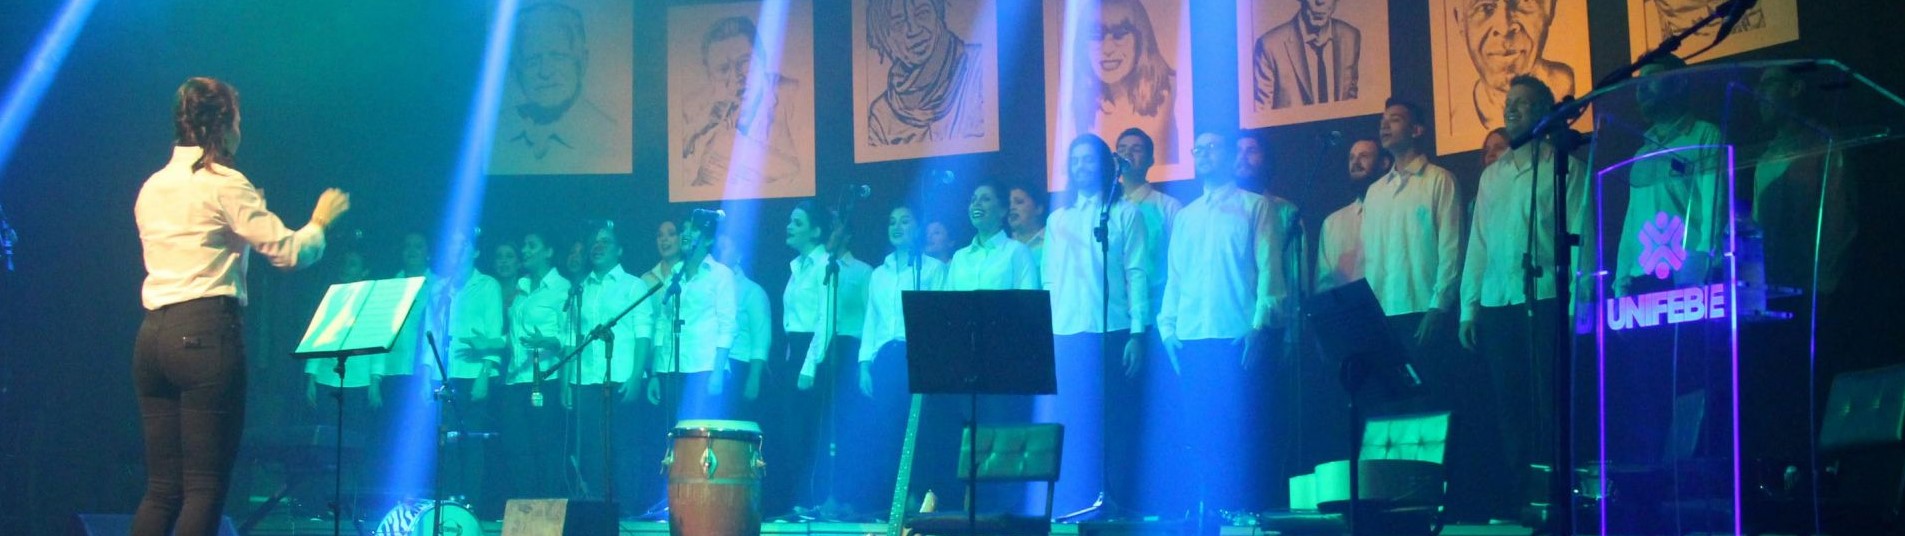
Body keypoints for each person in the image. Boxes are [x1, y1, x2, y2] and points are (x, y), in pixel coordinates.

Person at [133, 76, 351, 536]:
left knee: (162, 489)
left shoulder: (152, 186)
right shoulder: (225, 184)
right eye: (238, 120)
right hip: (204, 334)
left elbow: (200, 243)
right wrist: (319, 223)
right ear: (223, 125)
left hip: (152, 338)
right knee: (204, 487)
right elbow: (289, 253)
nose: (241, 130)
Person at [1456, 75, 1587, 520]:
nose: (1511, 109)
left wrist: (1576, 307)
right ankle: (1521, 502)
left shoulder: (1564, 167)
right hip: (1499, 305)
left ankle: (1556, 498)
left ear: (1545, 112)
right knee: (1509, 407)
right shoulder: (1492, 177)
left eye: (1523, 103)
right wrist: (1469, 308)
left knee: (1549, 405)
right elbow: (1479, 244)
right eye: (1508, 102)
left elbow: (1583, 238)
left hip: (1547, 300)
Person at [1156, 130, 1287, 514]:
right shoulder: (1186, 216)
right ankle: (1208, 513)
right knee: (1199, 434)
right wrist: (1167, 329)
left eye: (1213, 147)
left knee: (1241, 433)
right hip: (1192, 338)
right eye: (1198, 148)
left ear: (1231, 156)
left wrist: (1260, 326)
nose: (1204, 153)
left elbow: (1270, 272)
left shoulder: (1255, 206)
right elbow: (1175, 277)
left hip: (1237, 336)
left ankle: (1244, 512)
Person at [1042, 134, 1150, 516]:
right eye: (1075, 160)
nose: (1081, 167)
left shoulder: (1127, 214)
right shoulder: (1058, 220)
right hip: (1067, 333)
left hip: (1112, 329)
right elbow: (1049, 280)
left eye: (1089, 159)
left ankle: (1117, 499)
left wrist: (1138, 332)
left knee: (1114, 420)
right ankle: (1074, 496)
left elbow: (1136, 274)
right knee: (1073, 418)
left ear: (1105, 165)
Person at [850, 204, 949, 520]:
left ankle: (921, 497)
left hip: (917, 354)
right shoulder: (879, 274)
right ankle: (894, 500)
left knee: (919, 430)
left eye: (905, 221)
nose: (897, 226)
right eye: (892, 221)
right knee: (887, 431)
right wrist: (864, 364)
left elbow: (940, 320)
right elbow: (871, 320)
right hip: (886, 357)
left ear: (918, 228)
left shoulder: (932, 269)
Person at [1612, 54, 1724, 297]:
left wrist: (1706, 266)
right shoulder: (1641, 153)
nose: (1641, 88)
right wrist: (1621, 278)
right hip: (1642, 278)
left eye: (1651, 79)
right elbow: (1632, 221)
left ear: (1679, 82)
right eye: (1638, 83)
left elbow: (1715, 208)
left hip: (1689, 274)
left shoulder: (1704, 135)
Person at [490, 2, 627, 175]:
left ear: (582, 62)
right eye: (532, 60)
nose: (545, 72)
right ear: (515, 71)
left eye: (558, 57)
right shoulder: (493, 134)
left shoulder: (613, 138)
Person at [569, 222, 649, 515]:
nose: (597, 245)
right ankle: (598, 513)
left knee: (624, 448)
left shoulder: (633, 285)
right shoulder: (581, 288)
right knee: (592, 449)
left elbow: (643, 334)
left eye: (605, 241)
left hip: (621, 378)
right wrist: (568, 380)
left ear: (620, 250)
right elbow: (574, 337)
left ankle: (627, 512)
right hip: (587, 380)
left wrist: (637, 375)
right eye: (594, 241)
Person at [431, 231, 507, 513]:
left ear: (475, 252)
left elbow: (493, 331)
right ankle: (449, 502)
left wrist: (485, 372)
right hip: (445, 374)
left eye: (462, 246)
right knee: (446, 442)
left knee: (472, 442)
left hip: (474, 374)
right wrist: (427, 376)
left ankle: (471, 504)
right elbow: (431, 335)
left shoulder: (487, 285)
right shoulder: (439, 288)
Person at [681, 15, 805, 189]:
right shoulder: (703, 114)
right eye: (723, 69)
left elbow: (804, 175)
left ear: (762, 59)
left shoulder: (795, 96)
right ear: (710, 76)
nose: (736, 78)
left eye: (744, 63)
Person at [767, 201, 834, 517]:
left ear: (816, 230)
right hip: (794, 351)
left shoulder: (825, 265)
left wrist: (808, 366)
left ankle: (812, 500)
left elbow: (825, 319)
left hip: (813, 355)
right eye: (790, 221)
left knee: (808, 429)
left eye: (798, 222)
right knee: (790, 430)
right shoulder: (796, 267)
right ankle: (796, 499)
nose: (789, 226)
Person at [498, 230, 572, 501]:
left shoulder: (562, 288)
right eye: (524, 246)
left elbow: (569, 337)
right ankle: (525, 507)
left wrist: (548, 341)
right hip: (514, 379)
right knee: (516, 448)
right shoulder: (521, 288)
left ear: (548, 251)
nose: (525, 251)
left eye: (532, 246)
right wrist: (492, 342)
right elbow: (516, 335)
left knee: (545, 447)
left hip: (545, 379)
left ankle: (548, 509)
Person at [643, 210, 738, 420]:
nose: (686, 234)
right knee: (673, 431)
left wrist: (717, 373)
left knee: (700, 432)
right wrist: (655, 373)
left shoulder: (721, 274)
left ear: (709, 239)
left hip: (705, 368)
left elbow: (728, 326)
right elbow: (663, 323)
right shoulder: (674, 277)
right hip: (671, 369)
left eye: (693, 230)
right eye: (684, 229)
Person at [1067, 0, 1179, 165]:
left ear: (1140, 40)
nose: (1107, 49)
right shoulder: (1074, 99)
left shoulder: (1171, 87)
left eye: (1119, 35)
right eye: (1096, 36)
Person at [863, 0, 987, 145]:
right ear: (884, 38)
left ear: (937, 15)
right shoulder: (881, 117)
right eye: (898, 23)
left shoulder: (980, 66)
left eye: (922, 13)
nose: (914, 30)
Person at [1450, 0, 1575, 132]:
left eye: (1521, 3)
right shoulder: (1457, 117)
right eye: (1485, 8)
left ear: (1549, 9)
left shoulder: (1568, 90)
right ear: (1461, 22)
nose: (1504, 28)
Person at [1253, 0, 1362, 110]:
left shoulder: (1351, 37)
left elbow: (1351, 104)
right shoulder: (1269, 46)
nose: (1320, 1)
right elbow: (1262, 113)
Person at [1316, 138, 1389, 293]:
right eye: (1351, 158)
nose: (1355, 163)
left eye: (1364, 156)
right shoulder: (1332, 223)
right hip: (1349, 307)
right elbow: (1325, 283)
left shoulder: (1395, 213)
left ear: (1383, 163)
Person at [714, 233, 770, 419]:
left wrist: (754, 378)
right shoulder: (708, 286)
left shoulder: (752, 291)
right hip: (712, 365)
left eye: (724, 248)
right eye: (717, 248)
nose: (718, 252)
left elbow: (760, 340)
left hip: (740, 367)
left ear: (739, 254)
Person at [948, 179, 1040, 291]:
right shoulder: (960, 257)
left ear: (1003, 210)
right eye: (973, 200)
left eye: (985, 199)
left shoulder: (1017, 251)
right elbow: (949, 299)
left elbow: (1028, 297)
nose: (976, 204)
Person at [1008, 182, 1048, 267]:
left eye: (1019, 202)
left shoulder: (1052, 240)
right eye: (1008, 204)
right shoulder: (1003, 243)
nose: (1011, 207)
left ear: (1038, 208)